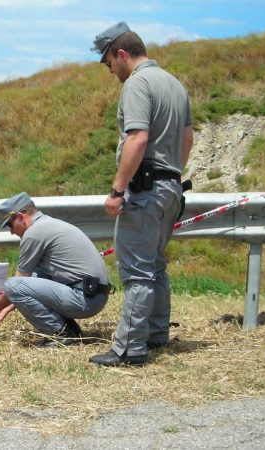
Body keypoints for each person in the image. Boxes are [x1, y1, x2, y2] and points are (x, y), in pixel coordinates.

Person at [88, 22, 194, 367]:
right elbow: (187, 139)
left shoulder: (137, 84)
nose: (110, 71)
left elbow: (137, 138)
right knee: (156, 267)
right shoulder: (175, 85)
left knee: (136, 272)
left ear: (121, 54)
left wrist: (117, 190)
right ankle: (156, 334)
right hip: (171, 187)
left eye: (108, 64)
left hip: (146, 190)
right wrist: (173, 175)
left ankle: (129, 349)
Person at [0, 192, 110, 347]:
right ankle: (71, 331)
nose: (11, 232)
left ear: (21, 217)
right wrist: (7, 307)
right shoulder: (49, 224)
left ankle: (60, 335)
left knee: (12, 284)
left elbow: (18, 284)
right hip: (93, 295)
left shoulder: (34, 233)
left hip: (84, 298)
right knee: (36, 275)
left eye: (10, 225)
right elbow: (29, 285)